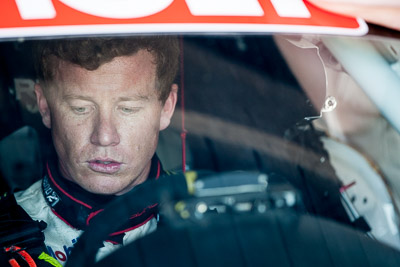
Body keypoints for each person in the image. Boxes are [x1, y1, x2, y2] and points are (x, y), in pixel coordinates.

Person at [1, 36, 180, 266]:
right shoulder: (5, 230)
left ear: (167, 107)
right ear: (44, 105)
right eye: (80, 108)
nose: (104, 137)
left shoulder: (226, 217)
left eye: (128, 108)